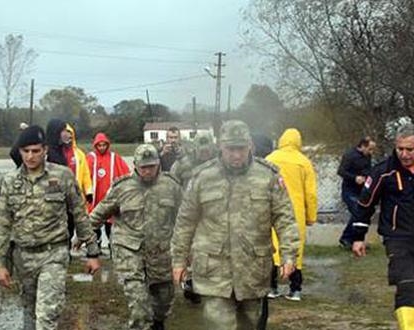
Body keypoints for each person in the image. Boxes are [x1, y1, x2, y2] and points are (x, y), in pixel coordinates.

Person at [171, 120, 299, 329]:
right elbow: (185, 222)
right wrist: (178, 260)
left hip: (253, 270)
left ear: (250, 146)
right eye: (231, 149)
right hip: (214, 271)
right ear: (220, 146)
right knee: (219, 324)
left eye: (241, 148)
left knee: (251, 323)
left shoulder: (268, 176)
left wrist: (289, 255)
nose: (236, 155)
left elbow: (285, 219)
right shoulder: (202, 177)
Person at [0, 125, 101, 330]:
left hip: (54, 254)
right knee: (30, 314)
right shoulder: (10, 181)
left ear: (45, 150)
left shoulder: (62, 176)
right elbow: (2, 224)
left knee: (46, 316)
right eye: (26, 151)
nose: (30, 156)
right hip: (23, 257)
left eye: (36, 151)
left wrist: (92, 252)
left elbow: (80, 214)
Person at [352, 123, 414, 330]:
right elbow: (365, 204)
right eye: (400, 149)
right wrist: (358, 236)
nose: (404, 154)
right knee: (405, 287)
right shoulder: (383, 171)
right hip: (396, 238)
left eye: (409, 149)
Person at [89, 144, 181, 330]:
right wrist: (83, 238)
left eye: (152, 166)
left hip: (161, 253)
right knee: (140, 306)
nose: (148, 171)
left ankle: (157, 323)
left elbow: (187, 217)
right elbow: (97, 215)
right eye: (143, 167)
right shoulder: (122, 188)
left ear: (158, 165)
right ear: (136, 166)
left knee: (163, 302)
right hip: (130, 252)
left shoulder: (171, 186)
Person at [265, 128, 317, 301]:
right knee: (295, 249)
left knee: (272, 248)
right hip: (296, 212)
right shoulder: (304, 162)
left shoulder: (269, 159)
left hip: (272, 210)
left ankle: (271, 287)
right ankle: (295, 289)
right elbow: (310, 193)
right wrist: (311, 217)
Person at [169, 131, 217, 305]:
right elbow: (171, 188)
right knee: (190, 251)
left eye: (207, 148)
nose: (204, 152)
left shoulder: (220, 164)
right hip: (188, 215)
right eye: (201, 148)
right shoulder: (182, 165)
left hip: (212, 216)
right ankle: (191, 282)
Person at [45, 119, 93, 253]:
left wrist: (88, 191)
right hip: (55, 199)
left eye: (69, 132)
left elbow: (85, 174)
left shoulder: (77, 154)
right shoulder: (46, 151)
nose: (68, 135)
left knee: (71, 225)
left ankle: (65, 251)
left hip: (72, 195)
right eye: (64, 132)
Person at [85, 132, 131, 250]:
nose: (102, 148)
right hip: (94, 200)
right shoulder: (90, 158)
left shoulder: (114, 158)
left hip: (110, 200)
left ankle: (113, 247)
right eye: (99, 145)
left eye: (104, 145)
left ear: (107, 145)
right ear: (95, 145)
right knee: (93, 224)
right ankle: (95, 247)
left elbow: (126, 175)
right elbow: (84, 177)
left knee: (111, 226)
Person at [337, 136, 376, 249]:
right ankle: (347, 239)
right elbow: (341, 171)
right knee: (357, 212)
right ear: (363, 146)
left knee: (364, 213)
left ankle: (355, 240)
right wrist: (355, 178)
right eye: (370, 149)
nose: (371, 152)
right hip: (350, 191)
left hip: (362, 190)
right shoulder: (349, 155)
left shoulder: (367, 156)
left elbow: (368, 169)